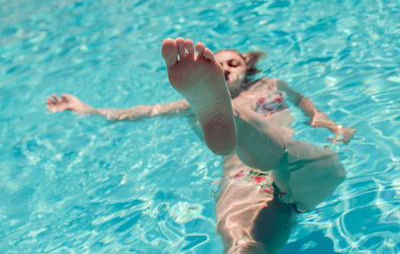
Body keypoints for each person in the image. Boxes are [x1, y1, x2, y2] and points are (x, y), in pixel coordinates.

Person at [47, 38, 356, 253]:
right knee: (244, 246)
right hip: (246, 179)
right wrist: (85, 108)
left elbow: (308, 107)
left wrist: (329, 124)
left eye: (232, 64)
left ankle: (230, 115)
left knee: (298, 161)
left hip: (281, 163)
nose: (226, 69)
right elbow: (141, 112)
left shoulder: (270, 85)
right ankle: (228, 114)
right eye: (218, 66)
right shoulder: (191, 100)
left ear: (247, 67)